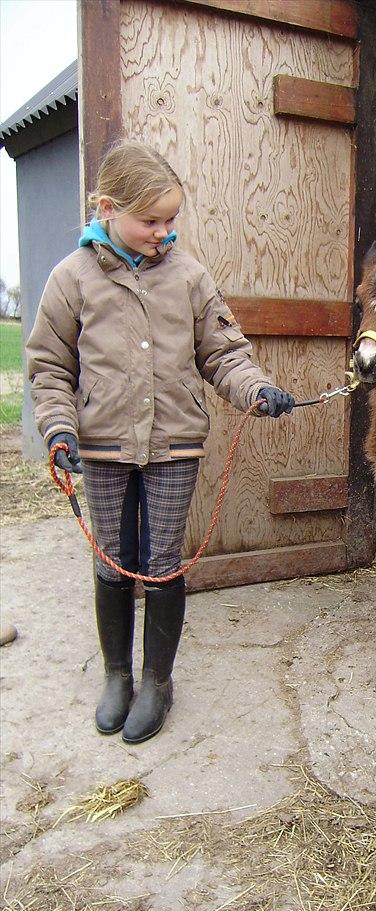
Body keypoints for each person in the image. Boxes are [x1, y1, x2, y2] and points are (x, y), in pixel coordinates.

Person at [26, 140, 295, 744]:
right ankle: (117, 675)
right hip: (101, 449)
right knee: (112, 559)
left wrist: (254, 388)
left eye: (172, 219)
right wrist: (59, 427)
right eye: (151, 220)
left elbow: (224, 353)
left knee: (162, 561)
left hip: (174, 447)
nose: (163, 232)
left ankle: (157, 681)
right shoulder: (71, 280)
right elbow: (49, 366)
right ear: (107, 208)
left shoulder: (190, 278)